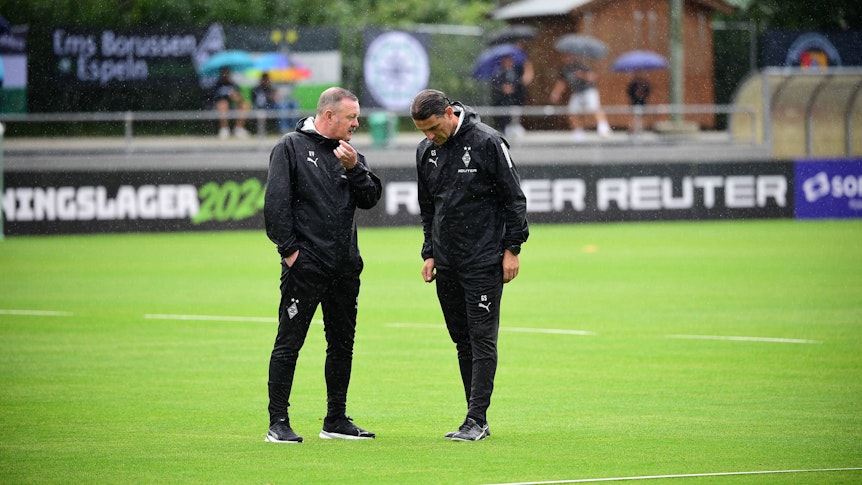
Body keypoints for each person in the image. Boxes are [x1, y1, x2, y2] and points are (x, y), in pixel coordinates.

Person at [263, 87, 382, 443]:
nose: (357, 123)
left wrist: (355, 168)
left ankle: (335, 419)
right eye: (351, 117)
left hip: (344, 268)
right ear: (329, 115)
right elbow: (276, 205)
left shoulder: (350, 154)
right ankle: (278, 422)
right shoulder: (290, 147)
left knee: (342, 344)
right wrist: (291, 253)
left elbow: (371, 198)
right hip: (305, 267)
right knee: (289, 343)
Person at [410, 89, 529, 441]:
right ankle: (475, 419)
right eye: (422, 131)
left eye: (433, 128)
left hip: (484, 259)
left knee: (481, 339)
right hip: (447, 262)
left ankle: (476, 418)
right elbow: (428, 207)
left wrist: (512, 248)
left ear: (449, 113)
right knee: (462, 340)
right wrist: (429, 252)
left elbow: (514, 199)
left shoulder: (488, 142)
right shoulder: (425, 151)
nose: (430, 136)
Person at [549, 53, 612, 143]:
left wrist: (583, 75)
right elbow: (562, 82)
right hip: (577, 92)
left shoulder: (581, 65)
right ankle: (578, 133)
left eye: (567, 56)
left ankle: (604, 129)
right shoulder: (564, 69)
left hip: (588, 90)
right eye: (564, 56)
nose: (565, 58)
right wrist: (556, 93)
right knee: (572, 111)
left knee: (594, 108)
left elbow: (594, 77)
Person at [489, 44, 533, 137]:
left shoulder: (516, 71)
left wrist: (514, 87)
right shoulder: (498, 72)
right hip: (502, 100)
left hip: (514, 98)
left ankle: (513, 126)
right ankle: (503, 128)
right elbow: (495, 85)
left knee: (514, 112)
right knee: (503, 115)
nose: (508, 62)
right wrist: (503, 88)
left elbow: (520, 82)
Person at [212, 66, 251, 139]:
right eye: (224, 73)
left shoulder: (233, 84)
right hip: (220, 106)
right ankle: (224, 129)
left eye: (227, 73)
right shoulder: (217, 85)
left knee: (245, 105)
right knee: (223, 104)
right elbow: (213, 98)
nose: (226, 75)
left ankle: (238, 129)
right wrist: (226, 96)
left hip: (233, 105)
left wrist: (236, 97)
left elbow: (240, 98)